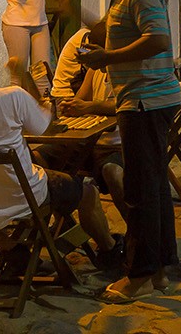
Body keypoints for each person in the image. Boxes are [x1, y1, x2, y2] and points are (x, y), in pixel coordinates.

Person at [0, 29, 118, 277]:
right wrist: (19, 76)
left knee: (30, 165)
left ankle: (11, 248)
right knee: (88, 191)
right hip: (28, 198)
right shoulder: (12, 98)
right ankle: (110, 250)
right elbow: (46, 125)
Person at [78, 0, 181, 302]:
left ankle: (137, 275)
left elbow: (158, 39)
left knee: (139, 191)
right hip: (141, 100)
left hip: (146, 101)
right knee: (153, 187)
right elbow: (109, 33)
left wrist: (107, 58)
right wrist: (74, 12)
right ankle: (159, 269)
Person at [46, 20, 127, 211]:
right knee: (40, 156)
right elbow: (82, 98)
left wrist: (90, 107)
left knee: (112, 171)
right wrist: (73, 106)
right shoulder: (94, 70)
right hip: (89, 142)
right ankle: (51, 221)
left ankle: (136, 230)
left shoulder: (125, 70)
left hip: (114, 146)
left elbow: (124, 104)